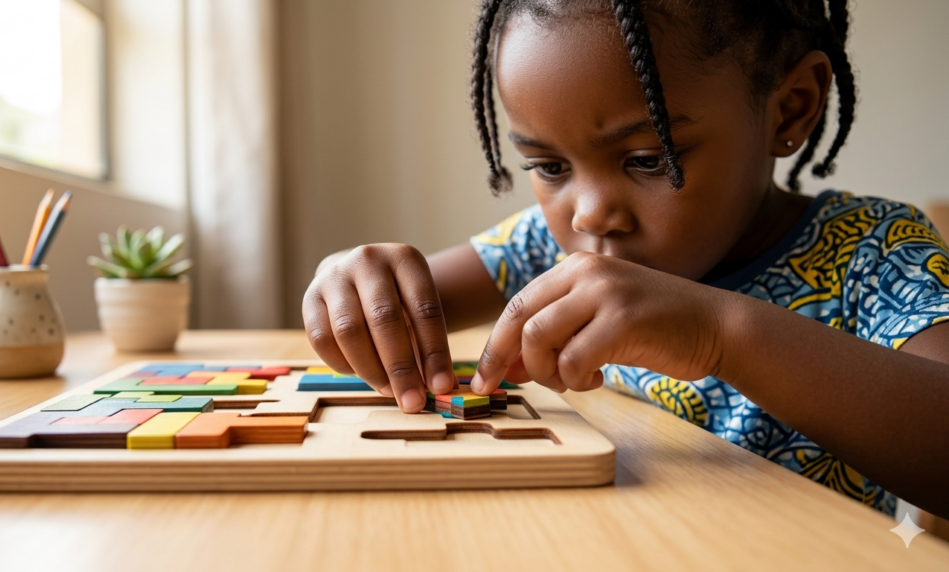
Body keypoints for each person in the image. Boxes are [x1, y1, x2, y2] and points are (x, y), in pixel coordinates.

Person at [302, 0, 949, 517]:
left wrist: (718, 333)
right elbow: (401, 310)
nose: (587, 215)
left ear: (792, 106)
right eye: (549, 166)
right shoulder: (550, 246)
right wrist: (355, 286)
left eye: (646, 159)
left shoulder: (874, 252)